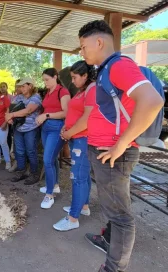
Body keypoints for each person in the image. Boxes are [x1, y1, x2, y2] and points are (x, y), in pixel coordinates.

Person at [78, 20, 164, 272]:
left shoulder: (118, 65)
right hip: (106, 151)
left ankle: (113, 268)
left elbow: (152, 100)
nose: (81, 52)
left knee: (121, 216)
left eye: (83, 46)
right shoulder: (107, 69)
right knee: (112, 207)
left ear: (99, 42)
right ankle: (107, 240)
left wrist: (121, 145)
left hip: (115, 153)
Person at [53, 60, 95, 231]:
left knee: (77, 178)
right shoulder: (82, 91)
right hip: (76, 137)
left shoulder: (92, 90)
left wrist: (69, 133)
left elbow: (86, 119)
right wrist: (67, 127)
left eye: (75, 77)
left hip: (82, 139)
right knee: (83, 176)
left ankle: (72, 218)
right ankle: (83, 207)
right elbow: (75, 113)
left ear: (85, 75)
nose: (73, 81)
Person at [36, 68, 70, 209]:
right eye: (44, 80)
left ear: (55, 77)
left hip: (57, 128)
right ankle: (54, 185)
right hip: (46, 128)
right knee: (53, 158)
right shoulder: (48, 92)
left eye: (47, 79)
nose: (45, 83)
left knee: (47, 160)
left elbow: (66, 112)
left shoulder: (63, 91)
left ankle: (50, 195)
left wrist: (47, 115)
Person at [6, 78, 42, 185]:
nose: (20, 88)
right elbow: (10, 108)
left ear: (30, 86)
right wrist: (8, 117)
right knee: (20, 151)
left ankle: (33, 173)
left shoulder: (36, 97)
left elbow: (28, 110)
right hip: (18, 128)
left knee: (31, 151)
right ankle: (21, 171)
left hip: (31, 128)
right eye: (20, 86)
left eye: (23, 86)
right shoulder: (18, 97)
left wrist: (11, 115)